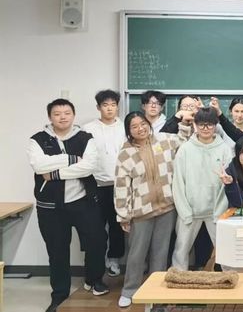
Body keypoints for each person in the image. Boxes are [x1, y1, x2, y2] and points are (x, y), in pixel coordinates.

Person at [28, 98, 108, 312]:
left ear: (73, 115)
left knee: (97, 242)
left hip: (83, 201)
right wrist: (72, 159)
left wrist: (54, 173)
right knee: (57, 251)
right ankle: (59, 295)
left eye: (67, 113)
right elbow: (39, 166)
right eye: (57, 114)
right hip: (50, 207)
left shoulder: (85, 138)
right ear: (50, 117)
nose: (62, 117)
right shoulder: (38, 140)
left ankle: (94, 280)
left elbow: (88, 167)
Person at [114, 111, 192, 308]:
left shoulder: (164, 140)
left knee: (160, 252)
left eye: (143, 123)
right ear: (128, 131)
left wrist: (185, 123)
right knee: (136, 253)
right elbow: (121, 186)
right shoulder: (125, 153)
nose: (140, 128)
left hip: (166, 208)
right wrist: (123, 215)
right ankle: (130, 290)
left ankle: (155, 291)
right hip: (141, 211)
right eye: (134, 126)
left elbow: (183, 141)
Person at [171, 108, 233, 271]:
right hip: (190, 210)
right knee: (181, 250)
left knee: (226, 250)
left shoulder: (224, 149)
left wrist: (220, 210)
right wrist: (184, 211)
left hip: (216, 211)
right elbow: (178, 182)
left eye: (210, 124)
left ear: (216, 125)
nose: (206, 128)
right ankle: (177, 280)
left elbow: (228, 182)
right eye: (201, 124)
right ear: (195, 125)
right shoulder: (185, 149)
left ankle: (232, 280)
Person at [82, 89, 126, 277]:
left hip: (120, 185)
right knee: (96, 227)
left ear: (117, 107)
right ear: (98, 107)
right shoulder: (88, 129)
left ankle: (114, 259)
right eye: (105, 105)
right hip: (96, 185)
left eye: (113, 105)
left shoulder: (125, 127)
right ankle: (96, 264)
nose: (109, 108)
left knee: (117, 225)